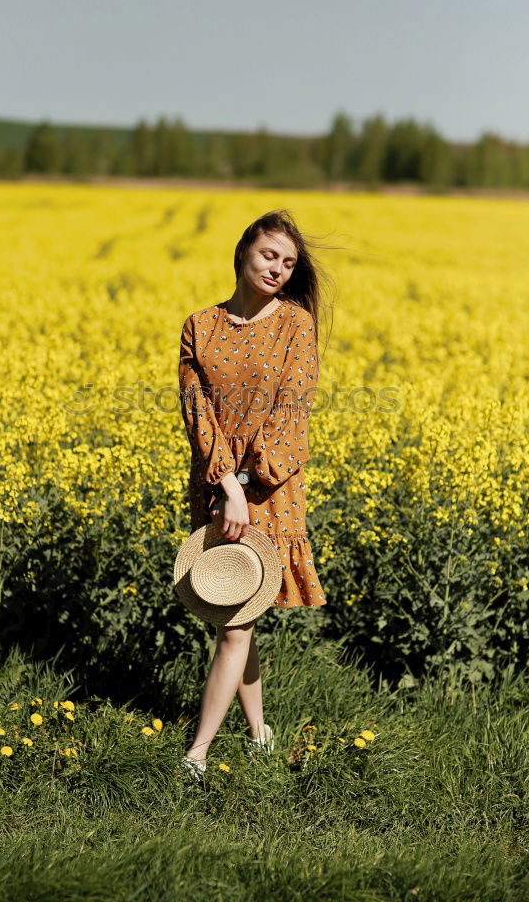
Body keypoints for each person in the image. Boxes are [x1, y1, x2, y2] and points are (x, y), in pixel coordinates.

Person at [177, 208, 330, 778]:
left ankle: (197, 755)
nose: (278, 269)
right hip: (215, 487)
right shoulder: (199, 324)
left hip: (269, 488)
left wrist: (242, 486)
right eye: (269, 256)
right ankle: (260, 733)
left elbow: (291, 417)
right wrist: (221, 484)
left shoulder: (295, 325)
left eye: (289, 263)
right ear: (243, 252)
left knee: (238, 620)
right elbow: (197, 413)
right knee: (237, 615)